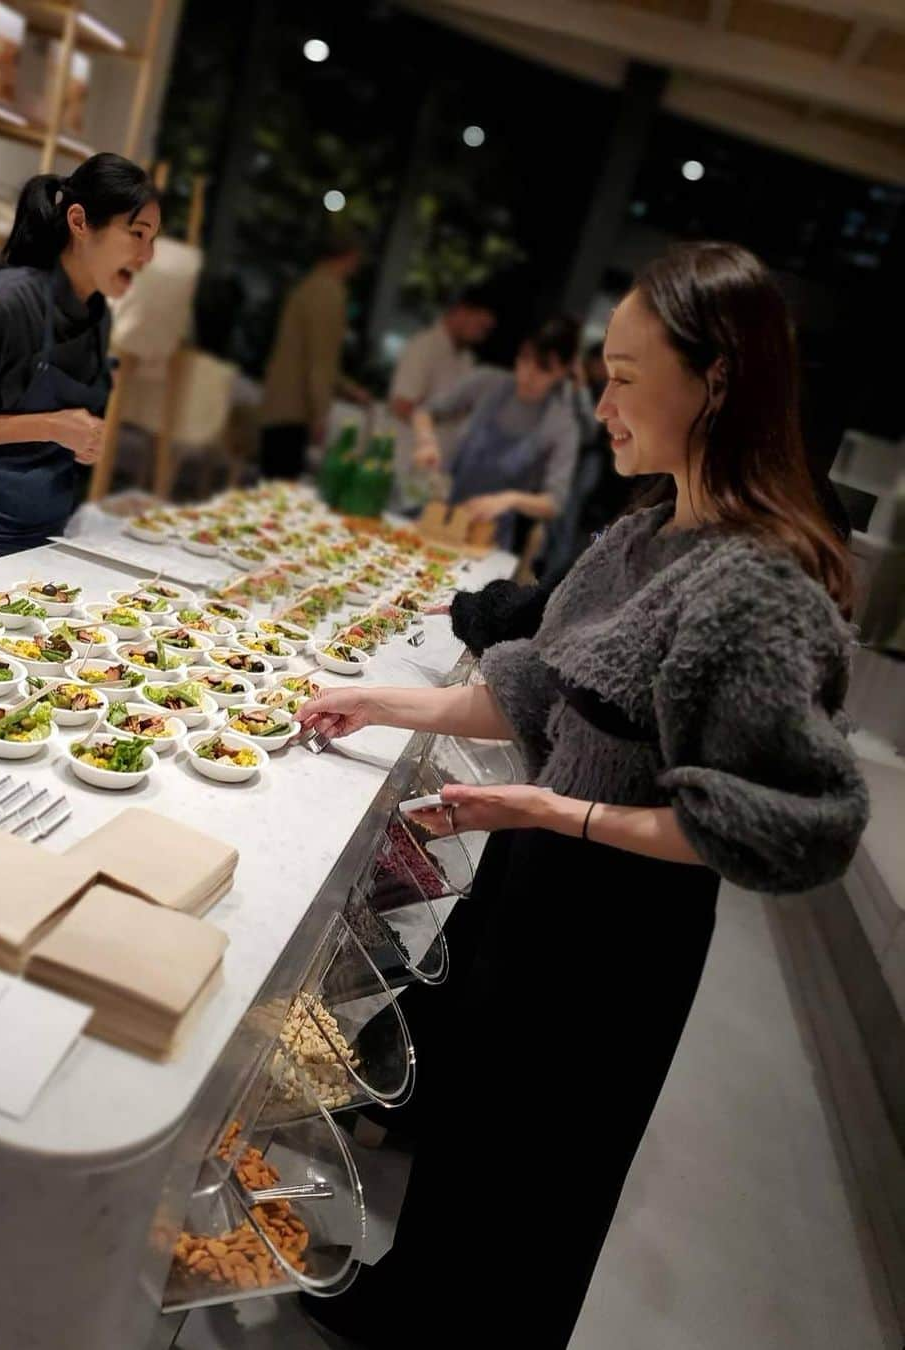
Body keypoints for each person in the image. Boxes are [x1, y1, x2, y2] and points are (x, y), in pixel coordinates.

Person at [299, 242, 869, 1348]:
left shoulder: (759, 582)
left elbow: (788, 828)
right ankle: (404, 1308)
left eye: (622, 374)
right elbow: (535, 690)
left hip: (618, 932)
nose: (599, 400)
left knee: (536, 1197)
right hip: (540, 887)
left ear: (714, 381)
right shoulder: (646, 533)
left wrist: (558, 814)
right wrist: (374, 701)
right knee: (473, 1141)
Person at [0, 153, 159, 581]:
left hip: (45, 545)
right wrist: (54, 426)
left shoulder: (97, 314)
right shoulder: (0, 303)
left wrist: (82, 441)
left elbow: (75, 425)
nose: (146, 256)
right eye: (136, 234)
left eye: (153, 241)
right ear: (79, 222)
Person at [412, 316, 582, 554]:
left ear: (563, 371)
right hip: (441, 510)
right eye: (524, 359)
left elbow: (554, 502)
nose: (528, 373)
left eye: (543, 368)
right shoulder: (487, 383)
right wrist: (427, 442)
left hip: (488, 536)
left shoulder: (561, 424)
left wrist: (509, 500)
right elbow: (426, 412)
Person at [258, 229, 371, 480]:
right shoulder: (328, 293)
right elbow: (320, 359)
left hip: (280, 403)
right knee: (279, 493)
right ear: (349, 257)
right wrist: (321, 415)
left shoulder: (308, 286)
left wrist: (348, 388)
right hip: (294, 409)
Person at [388, 284, 497, 508]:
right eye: (480, 326)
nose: (481, 335)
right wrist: (431, 422)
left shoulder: (466, 358)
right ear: (461, 311)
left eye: (486, 330)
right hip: (407, 461)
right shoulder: (425, 346)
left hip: (438, 470)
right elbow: (401, 404)